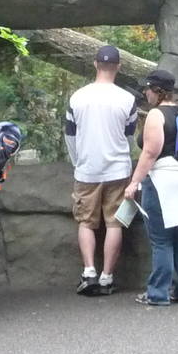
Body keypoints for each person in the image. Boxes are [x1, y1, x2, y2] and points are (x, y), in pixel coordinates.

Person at [125, 69, 178, 306]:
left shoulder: (155, 115)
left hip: (165, 181)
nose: (145, 92)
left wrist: (134, 182)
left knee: (161, 239)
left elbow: (151, 152)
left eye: (148, 88)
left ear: (157, 91)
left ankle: (158, 293)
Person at [64, 44, 138, 296]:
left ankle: (88, 273)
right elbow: (129, 137)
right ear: (118, 66)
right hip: (118, 170)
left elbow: (70, 136)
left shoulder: (77, 97)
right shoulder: (127, 100)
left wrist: (78, 161)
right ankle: (107, 276)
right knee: (115, 224)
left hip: (87, 170)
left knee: (86, 222)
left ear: (95, 64)